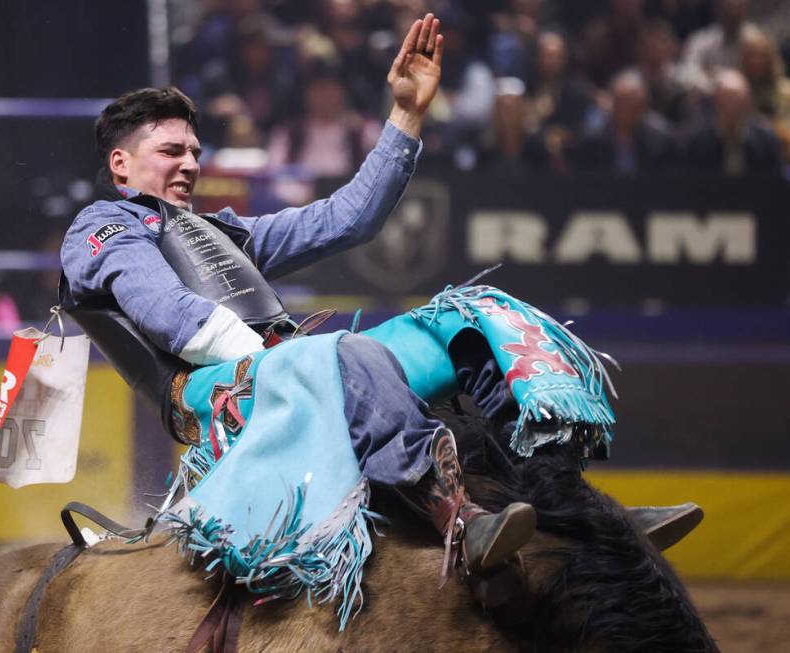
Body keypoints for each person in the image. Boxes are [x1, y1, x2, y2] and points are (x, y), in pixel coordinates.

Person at [61, 14, 700, 618]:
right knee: (344, 352)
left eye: (195, 150)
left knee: (472, 315)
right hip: (214, 393)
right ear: (121, 164)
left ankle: (574, 509)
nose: (192, 163)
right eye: (172, 150)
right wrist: (285, 359)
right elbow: (168, 313)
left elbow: (347, 218)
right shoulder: (102, 226)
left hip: (302, 368)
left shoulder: (219, 230)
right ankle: (461, 519)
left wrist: (406, 112)